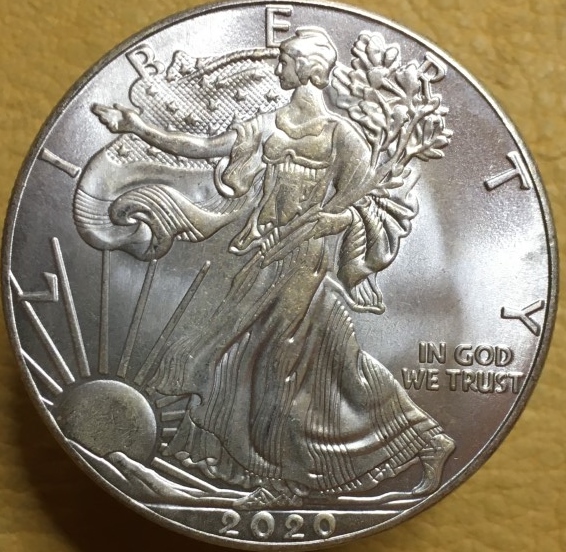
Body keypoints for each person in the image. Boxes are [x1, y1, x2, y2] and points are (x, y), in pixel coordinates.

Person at [93, 27, 454, 509]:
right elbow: (205, 146)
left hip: (303, 261)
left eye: (285, 61)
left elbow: (368, 202)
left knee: (277, 368)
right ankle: (416, 442)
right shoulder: (268, 124)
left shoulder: (341, 136)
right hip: (263, 256)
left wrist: (332, 221)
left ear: (306, 69)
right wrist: (138, 128)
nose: (278, 68)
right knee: (286, 362)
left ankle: (289, 480)